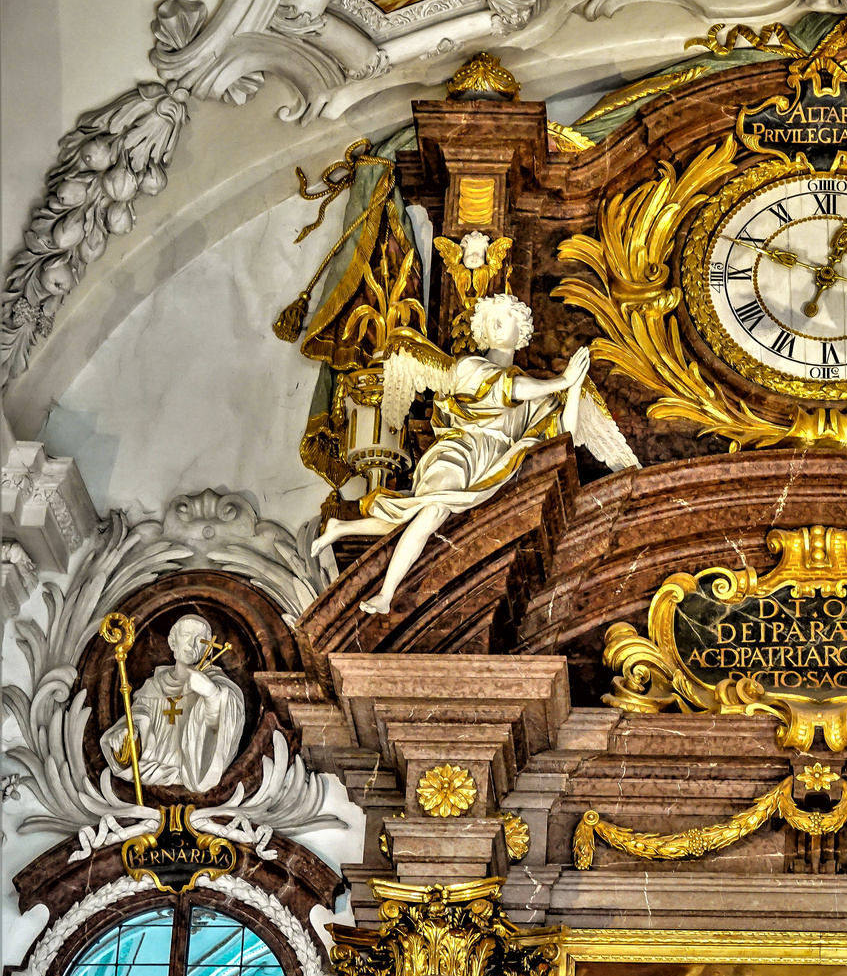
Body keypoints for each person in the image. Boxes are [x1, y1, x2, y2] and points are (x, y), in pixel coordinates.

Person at [310, 294, 620, 614]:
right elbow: (504, 389)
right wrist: (563, 379)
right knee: (431, 511)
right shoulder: (470, 367)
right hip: (460, 450)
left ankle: (344, 528)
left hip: (493, 465)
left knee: (422, 512)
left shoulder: (535, 394)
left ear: (522, 329)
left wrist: (573, 390)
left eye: (505, 320)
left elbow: (563, 436)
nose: (498, 327)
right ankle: (386, 593)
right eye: (491, 322)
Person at [98, 615, 246, 792]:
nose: (191, 644)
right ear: (173, 642)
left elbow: (223, 726)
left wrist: (211, 694)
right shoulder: (153, 684)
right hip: (150, 769)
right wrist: (127, 734)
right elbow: (137, 718)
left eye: (199, 640)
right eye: (186, 636)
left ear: (207, 648)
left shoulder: (217, 684)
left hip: (191, 771)